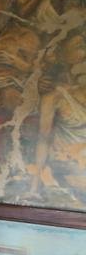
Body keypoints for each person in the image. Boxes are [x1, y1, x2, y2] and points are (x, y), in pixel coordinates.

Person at [31, 28, 86, 195]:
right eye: (79, 45)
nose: (84, 49)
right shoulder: (53, 97)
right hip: (69, 166)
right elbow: (43, 138)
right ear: (63, 52)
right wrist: (35, 183)